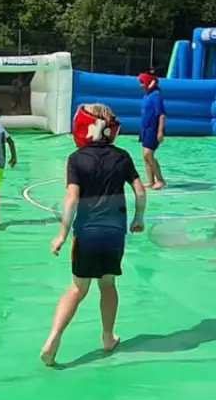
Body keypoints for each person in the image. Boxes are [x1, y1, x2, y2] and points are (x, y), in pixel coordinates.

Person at [41, 103, 147, 366]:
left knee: (78, 288)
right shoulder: (122, 156)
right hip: (114, 233)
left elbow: (72, 199)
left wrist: (62, 234)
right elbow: (141, 192)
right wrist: (138, 218)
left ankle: (54, 337)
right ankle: (108, 337)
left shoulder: (76, 159)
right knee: (108, 285)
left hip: (86, 233)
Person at [138, 71, 166, 189]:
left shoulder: (156, 95)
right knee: (145, 156)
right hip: (145, 129)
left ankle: (160, 180)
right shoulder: (147, 95)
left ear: (149, 83)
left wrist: (160, 131)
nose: (140, 85)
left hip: (153, 129)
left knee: (148, 154)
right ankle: (151, 181)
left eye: (142, 82)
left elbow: (162, 115)